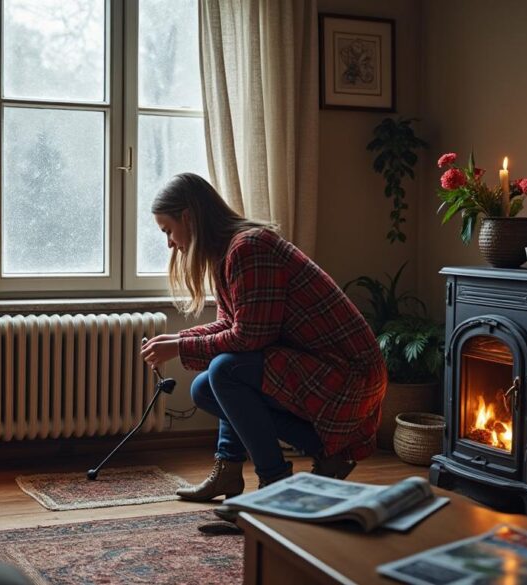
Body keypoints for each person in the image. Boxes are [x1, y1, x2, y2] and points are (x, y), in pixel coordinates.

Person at [140, 172, 387, 514]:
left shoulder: (249, 248)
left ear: (188, 217)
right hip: (321, 369)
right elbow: (234, 324)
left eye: (168, 230)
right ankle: (231, 472)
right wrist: (179, 339)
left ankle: (276, 485)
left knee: (225, 371)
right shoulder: (226, 253)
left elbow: (251, 336)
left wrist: (181, 347)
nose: (169, 243)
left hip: (348, 377)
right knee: (204, 387)